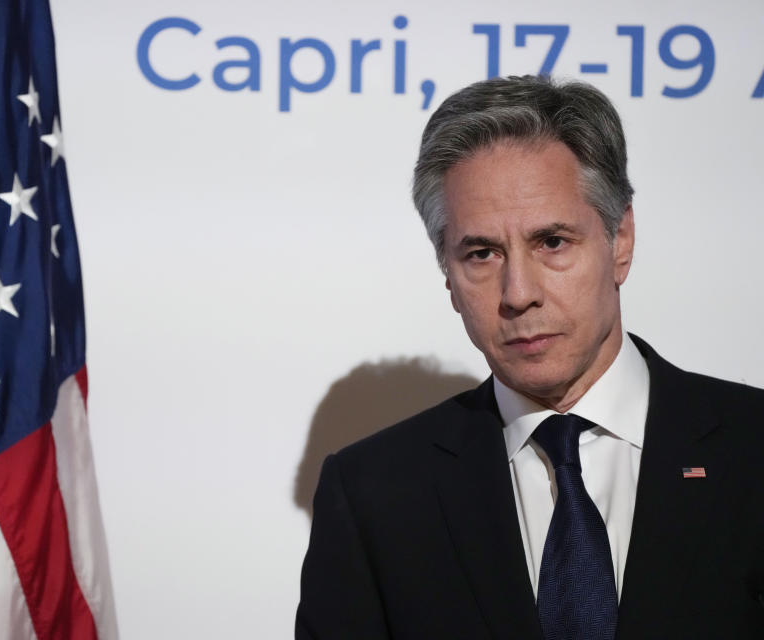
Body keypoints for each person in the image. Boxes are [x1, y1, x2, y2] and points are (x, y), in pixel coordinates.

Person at [295, 75, 764, 639]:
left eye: (552, 242)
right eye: (482, 252)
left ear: (621, 240)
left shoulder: (753, 446)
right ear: (448, 273)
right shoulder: (373, 495)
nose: (518, 292)